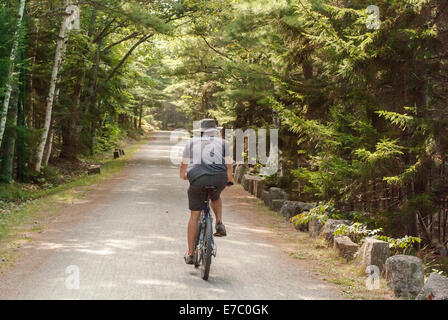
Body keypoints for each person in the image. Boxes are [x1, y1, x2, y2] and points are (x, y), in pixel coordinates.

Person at [179, 119, 234, 265]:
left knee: (194, 216)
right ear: (215, 131)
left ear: (201, 131)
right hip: (218, 178)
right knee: (216, 197)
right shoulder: (223, 143)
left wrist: (183, 175)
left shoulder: (191, 142)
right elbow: (229, 165)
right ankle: (219, 222)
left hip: (197, 179)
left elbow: (183, 163)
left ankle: (191, 254)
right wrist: (229, 179)